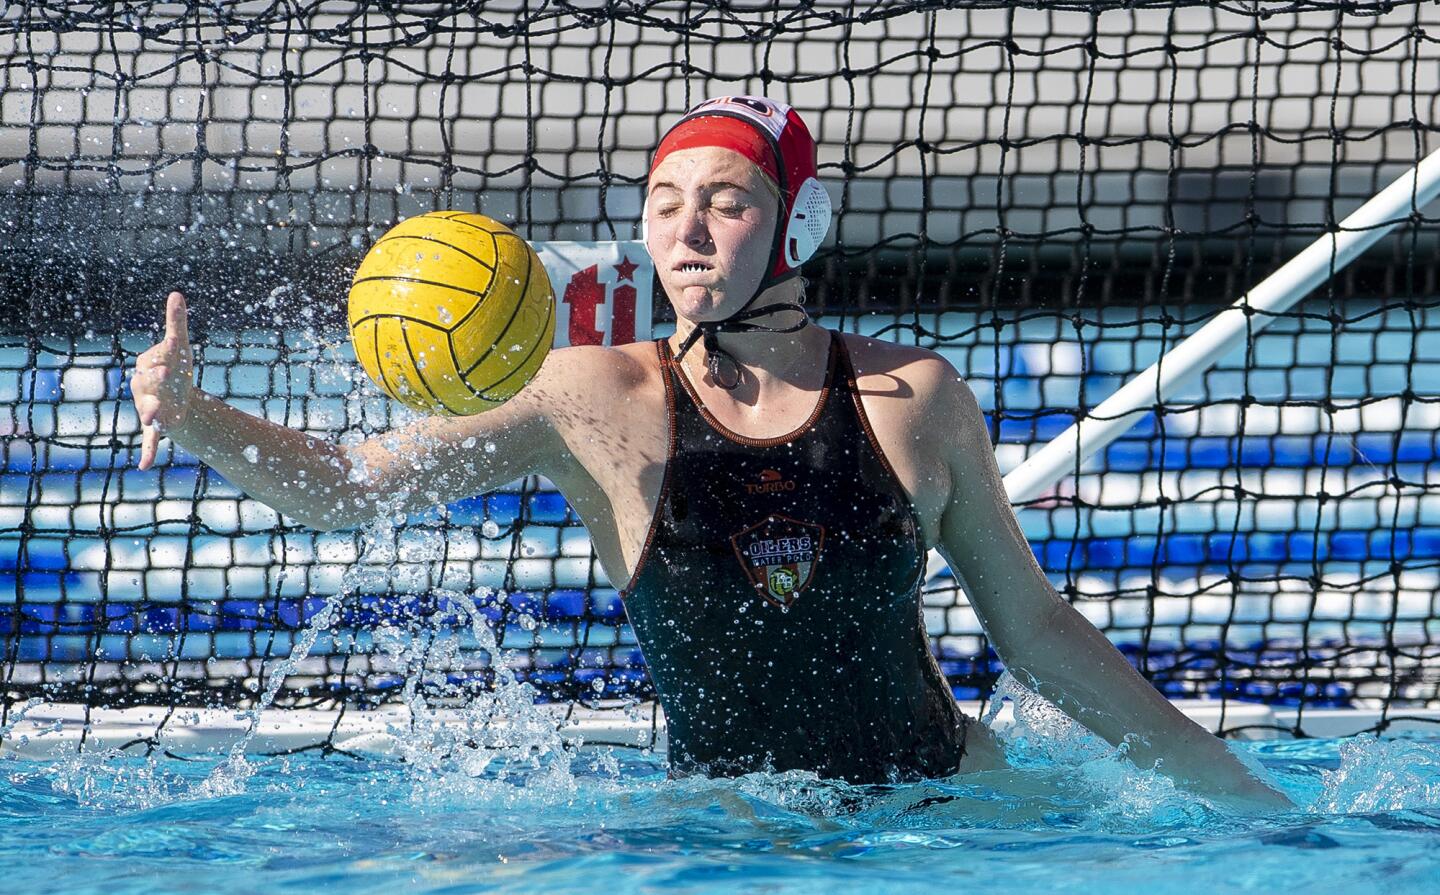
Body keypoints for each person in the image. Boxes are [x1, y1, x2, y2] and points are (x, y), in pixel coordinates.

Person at [130, 96, 1292, 807]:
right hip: (730, 833)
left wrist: (1236, 796)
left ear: (797, 223)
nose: (685, 229)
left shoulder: (914, 397)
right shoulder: (596, 393)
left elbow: (1032, 630)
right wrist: (197, 417)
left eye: (726, 201)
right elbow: (351, 488)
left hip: (951, 811)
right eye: (664, 198)